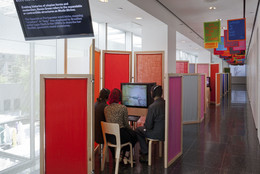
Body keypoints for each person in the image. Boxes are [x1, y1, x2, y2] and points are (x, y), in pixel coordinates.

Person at [104, 88, 137, 163]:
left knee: (128, 135)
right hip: (120, 136)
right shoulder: (123, 108)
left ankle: (120, 155)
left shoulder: (106, 108)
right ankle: (125, 156)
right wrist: (131, 129)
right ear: (119, 97)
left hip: (109, 137)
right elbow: (126, 124)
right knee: (134, 135)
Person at [135, 85, 165, 162]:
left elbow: (148, 126)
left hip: (155, 134)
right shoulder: (165, 103)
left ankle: (145, 153)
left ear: (153, 93)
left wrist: (143, 125)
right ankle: (145, 151)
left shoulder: (152, 106)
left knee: (138, 130)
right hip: (165, 132)